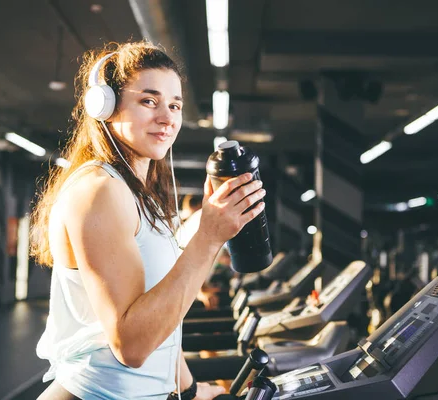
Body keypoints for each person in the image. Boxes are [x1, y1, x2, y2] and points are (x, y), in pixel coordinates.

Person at [31, 41, 266, 400]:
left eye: (175, 105)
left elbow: (161, 322)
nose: (167, 117)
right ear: (105, 106)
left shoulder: (138, 195)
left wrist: (190, 390)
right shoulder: (99, 191)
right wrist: (208, 237)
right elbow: (132, 346)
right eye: (149, 101)